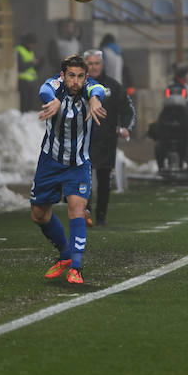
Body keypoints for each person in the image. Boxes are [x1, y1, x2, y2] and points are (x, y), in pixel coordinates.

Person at [30, 55, 106, 285]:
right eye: (71, 76)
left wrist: (94, 99)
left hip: (78, 164)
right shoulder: (54, 86)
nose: (75, 81)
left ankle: (76, 267)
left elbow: (99, 90)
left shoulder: (90, 88)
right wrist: (51, 101)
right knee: (38, 215)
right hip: (50, 161)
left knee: (76, 208)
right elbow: (45, 89)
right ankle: (64, 253)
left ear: (85, 77)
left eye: (80, 76)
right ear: (63, 76)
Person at [83, 49, 136, 227]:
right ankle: (85, 213)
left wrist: (126, 127)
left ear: (102, 64)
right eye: (90, 63)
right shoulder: (77, 86)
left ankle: (101, 217)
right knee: (84, 179)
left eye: (97, 63)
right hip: (83, 141)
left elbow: (127, 108)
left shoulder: (113, 86)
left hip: (106, 141)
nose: (94, 67)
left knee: (104, 180)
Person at [16, 33, 42, 113]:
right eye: (32, 44)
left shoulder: (30, 52)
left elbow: (33, 69)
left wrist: (39, 64)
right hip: (23, 81)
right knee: (25, 105)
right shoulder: (19, 50)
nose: (33, 46)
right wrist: (32, 63)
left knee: (31, 105)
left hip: (32, 82)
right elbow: (20, 67)